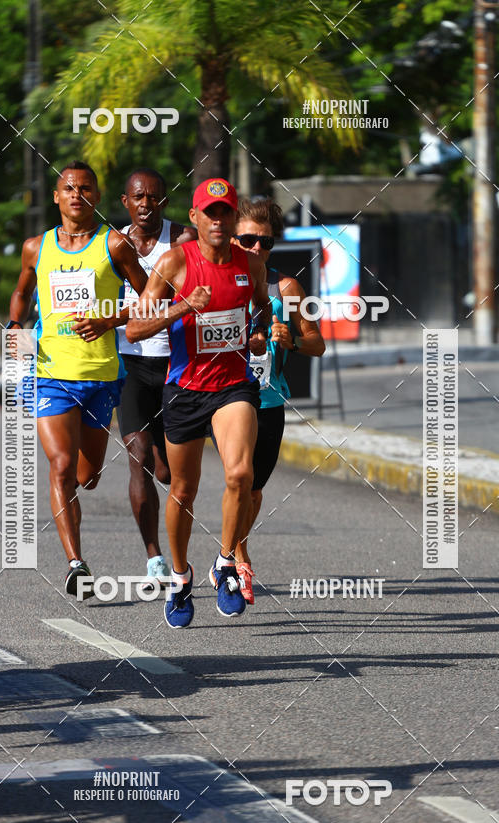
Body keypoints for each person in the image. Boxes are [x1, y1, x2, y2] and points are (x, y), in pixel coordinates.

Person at [126, 177, 271, 628]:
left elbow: (260, 308)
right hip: (185, 389)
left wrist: (260, 334)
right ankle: (180, 575)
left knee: (240, 474)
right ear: (194, 217)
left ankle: (225, 563)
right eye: (210, 213)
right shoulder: (174, 262)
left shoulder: (250, 263)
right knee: (183, 490)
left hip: (233, 386)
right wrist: (182, 307)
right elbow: (134, 329)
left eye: (226, 212)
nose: (218, 220)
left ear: (233, 217)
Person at [8, 160, 147, 596]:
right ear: (56, 196)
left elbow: (150, 299)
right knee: (61, 467)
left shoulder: (116, 244)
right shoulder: (37, 247)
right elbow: (21, 290)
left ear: (97, 197)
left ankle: (77, 538)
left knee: (87, 476)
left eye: (85, 188)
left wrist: (111, 321)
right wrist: (15, 327)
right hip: (50, 373)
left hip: (102, 376)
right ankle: (75, 563)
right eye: (69, 187)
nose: (76, 194)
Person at [230, 197, 325, 603]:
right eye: (247, 240)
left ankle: (235, 547)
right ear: (232, 238)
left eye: (265, 243)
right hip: (226, 397)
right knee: (239, 476)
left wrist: (295, 340)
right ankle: (235, 555)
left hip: (269, 398)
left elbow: (317, 344)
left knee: (253, 490)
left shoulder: (287, 288)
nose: (256, 249)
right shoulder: (215, 282)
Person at [116, 168, 196, 592]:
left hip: (174, 367)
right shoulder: (114, 243)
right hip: (131, 364)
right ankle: (154, 557)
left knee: (167, 471)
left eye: (154, 198)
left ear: (165, 202)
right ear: (126, 202)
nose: (146, 204)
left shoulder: (184, 240)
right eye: (138, 197)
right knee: (138, 455)